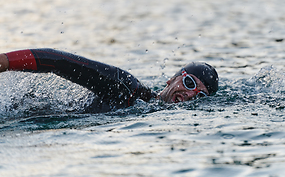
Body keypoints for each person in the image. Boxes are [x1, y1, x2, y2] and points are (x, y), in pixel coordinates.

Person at [0, 48, 218, 113]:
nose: (190, 95)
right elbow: (61, 62)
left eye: (199, 95)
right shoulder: (126, 88)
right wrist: (6, 61)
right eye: (189, 84)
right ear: (172, 79)